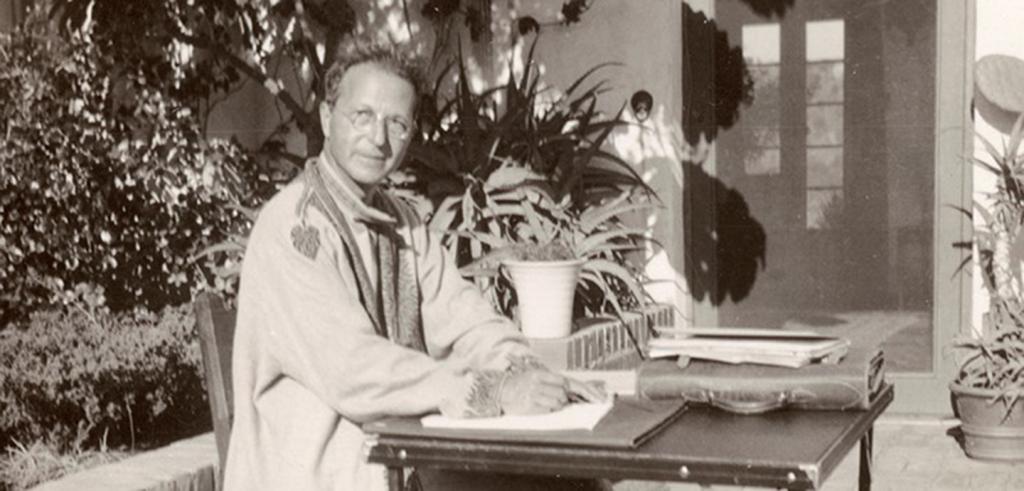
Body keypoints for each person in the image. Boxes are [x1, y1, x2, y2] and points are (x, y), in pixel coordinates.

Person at [223, 39, 606, 491]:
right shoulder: (293, 228)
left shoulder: (401, 222)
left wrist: (522, 367)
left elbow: (463, 317)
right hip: (320, 472)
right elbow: (355, 368)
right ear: (327, 118)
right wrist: (494, 392)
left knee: (573, 482)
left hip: (397, 456)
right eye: (361, 116)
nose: (378, 138)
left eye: (397, 124)